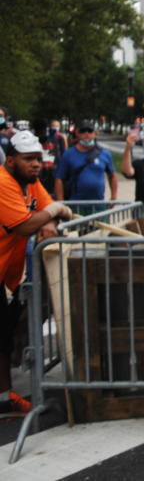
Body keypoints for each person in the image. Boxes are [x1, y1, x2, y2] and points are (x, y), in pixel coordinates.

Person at [0, 131, 72, 415]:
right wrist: (53, 212)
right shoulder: (3, 183)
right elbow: (25, 226)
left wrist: (49, 218)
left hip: (8, 272)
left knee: (3, 336)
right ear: (11, 161)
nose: (36, 165)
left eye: (39, 159)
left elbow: (43, 210)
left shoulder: (29, 184)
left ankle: (4, 397)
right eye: (28, 159)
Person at [54, 122, 118, 203]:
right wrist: (61, 202)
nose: (86, 133)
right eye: (83, 131)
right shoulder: (68, 154)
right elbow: (59, 179)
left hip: (98, 204)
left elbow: (112, 176)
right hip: (74, 204)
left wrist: (114, 197)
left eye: (90, 131)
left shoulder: (105, 153)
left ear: (95, 134)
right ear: (77, 133)